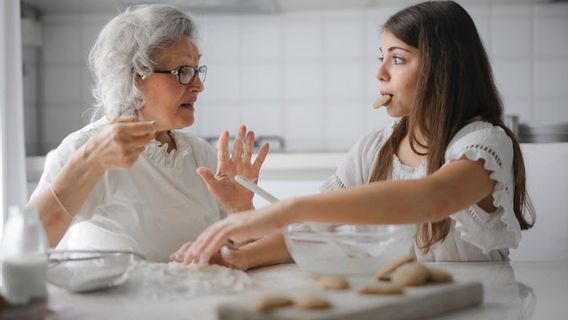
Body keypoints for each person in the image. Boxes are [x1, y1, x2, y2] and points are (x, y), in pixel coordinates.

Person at [172, 0, 536, 267]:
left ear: (443, 69)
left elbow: (436, 197)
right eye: (380, 57)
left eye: (397, 58)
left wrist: (290, 208)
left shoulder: (484, 144)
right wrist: (241, 256)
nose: (380, 73)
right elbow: (316, 230)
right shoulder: (373, 149)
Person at [27, 4, 268, 262]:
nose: (199, 85)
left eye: (197, 70)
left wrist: (240, 210)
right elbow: (26, 245)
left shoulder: (200, 155)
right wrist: (89, 163)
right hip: (115, 302)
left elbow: (238, 254)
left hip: (198, 301)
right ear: (135, 76)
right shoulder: (86, 148)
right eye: (183, 72)